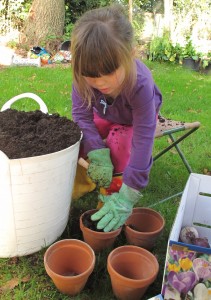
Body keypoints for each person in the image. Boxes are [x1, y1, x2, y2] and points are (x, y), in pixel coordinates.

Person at [71, 5, 162, 232]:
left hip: (135, 119)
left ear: (130, 54)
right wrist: (94, 150)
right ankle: (84, 184)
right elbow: (82, 116)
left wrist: (131, 192)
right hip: (105, 113)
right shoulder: (81, 77)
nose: (101, 83)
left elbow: (143, 139)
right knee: (81, 140)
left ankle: (113, 199)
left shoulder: (140, 84)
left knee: (120, 145)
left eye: (109, 72)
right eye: (92, 76)